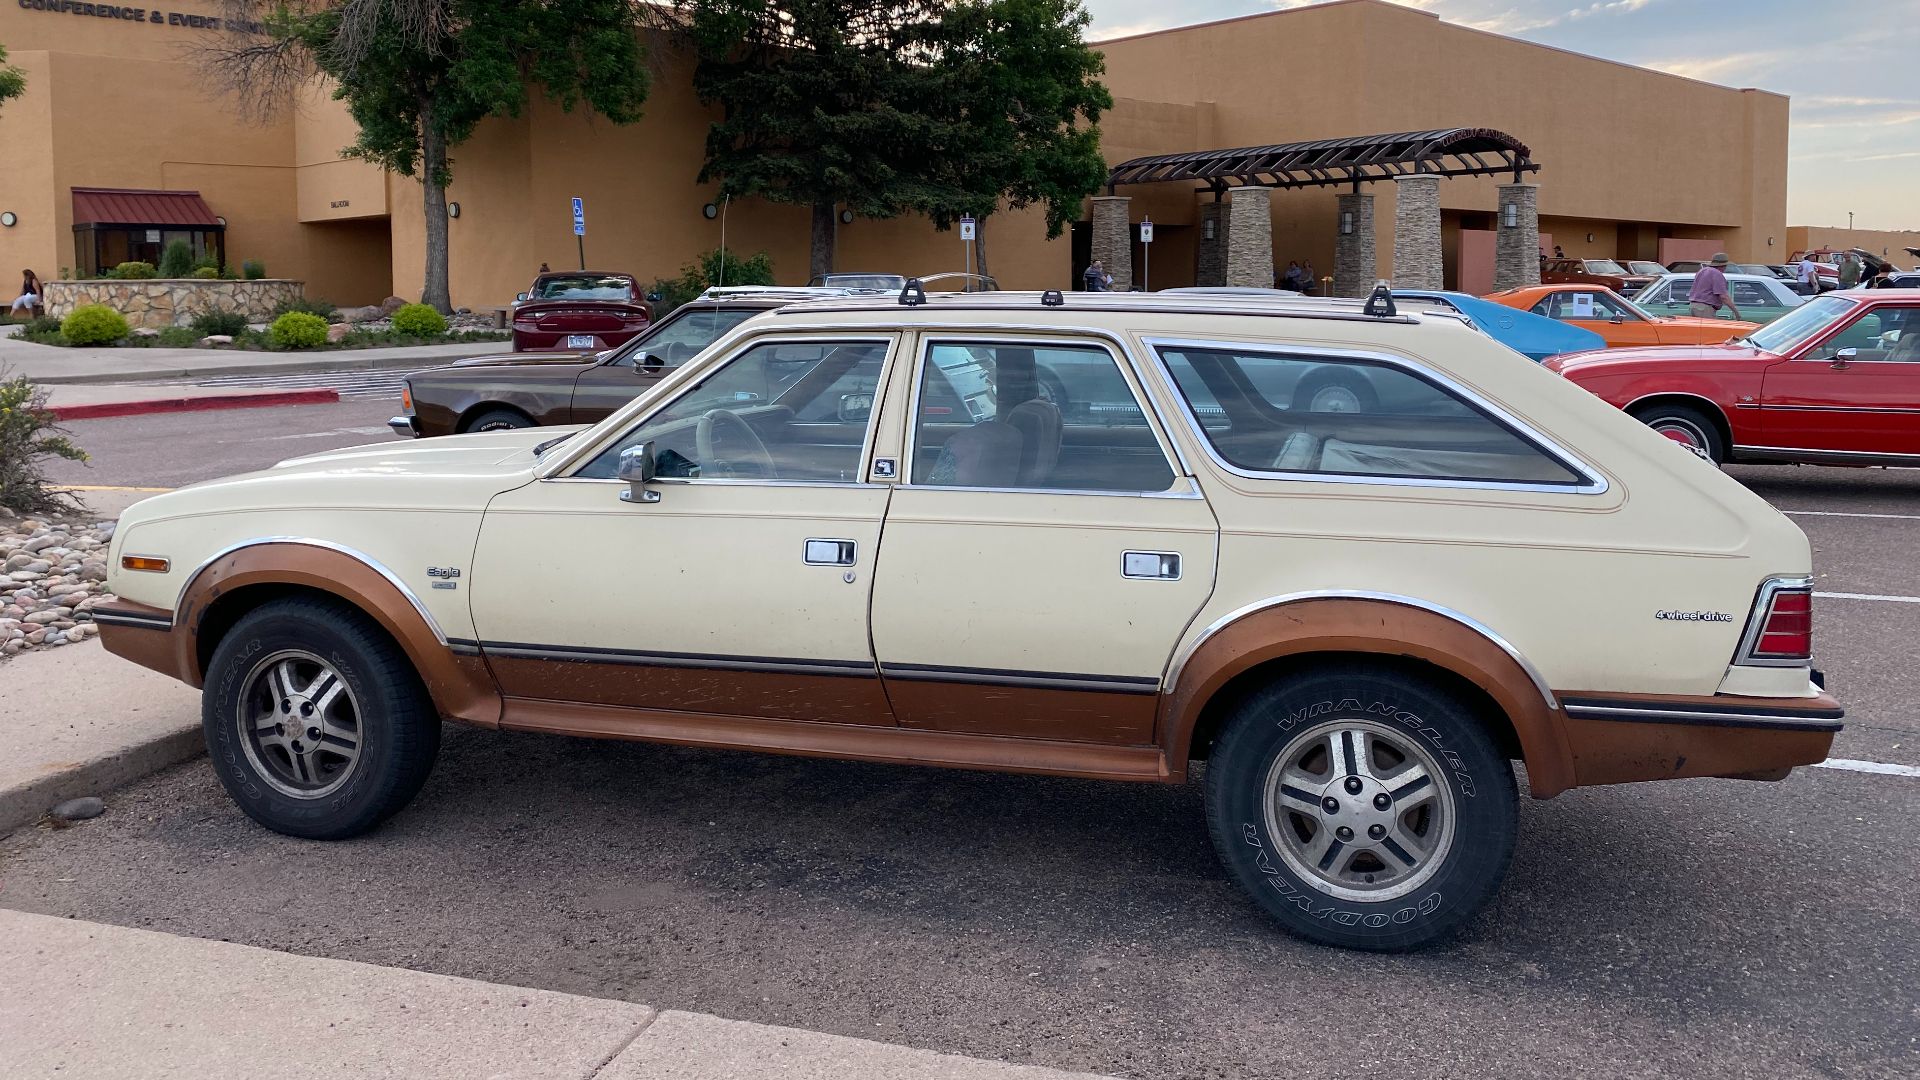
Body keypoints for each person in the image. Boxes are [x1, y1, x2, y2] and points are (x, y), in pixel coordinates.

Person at [1688, 253, 1742, 321]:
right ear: (1723, 266)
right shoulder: (1717, 274)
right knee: (1708, 330)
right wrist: (1736, 312)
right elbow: (1723, 297)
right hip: (1705, 308)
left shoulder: (1702, 271)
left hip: (1694, 305)